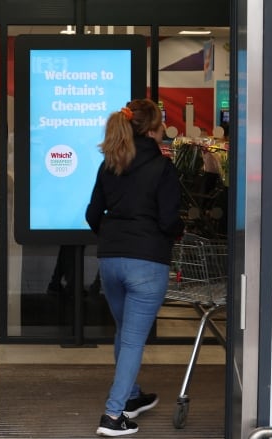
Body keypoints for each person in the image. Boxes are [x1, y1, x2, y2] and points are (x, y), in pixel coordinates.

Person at [85, 99, 184, 436]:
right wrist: (171, 235)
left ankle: (132, 395)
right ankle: (113, 416)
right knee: (132, 341)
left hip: (111, 259)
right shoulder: (162, 167)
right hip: (147, 261)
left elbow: (92, 215)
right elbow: (170, 219)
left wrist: (115, 240)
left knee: (124, 331)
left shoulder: (109, 164)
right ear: (154, 129)